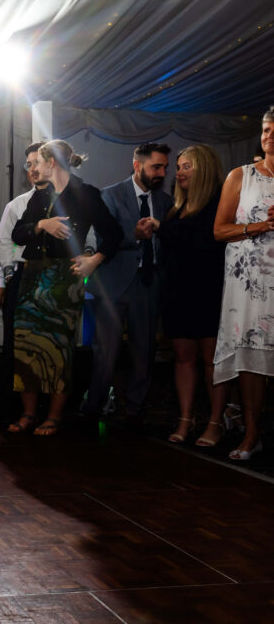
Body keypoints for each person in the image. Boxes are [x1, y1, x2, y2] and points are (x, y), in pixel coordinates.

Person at [10, 140, 122, 436]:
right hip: (32, 275)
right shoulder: (40, 196)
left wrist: (93, 261)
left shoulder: (85, 194)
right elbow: (17, 234)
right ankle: (29, 413)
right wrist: (41, 225)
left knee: (59, 347)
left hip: (65, 278)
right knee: (26, 345)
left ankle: (54, 416)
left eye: (38, 162)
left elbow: (114, 235)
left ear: (52, 163)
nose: (34, 167)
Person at [84, 142, 172, 426]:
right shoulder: (108, 195)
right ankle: (93, 408)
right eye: (155, 167)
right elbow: (101, 242)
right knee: (105, 354)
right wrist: (133, 236)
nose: (161, 172)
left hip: (148, 283)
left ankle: (135, 410)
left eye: (164, 168)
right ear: (137, 165)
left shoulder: (167, 202)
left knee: (143, 352)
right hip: (112, 283)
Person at [151, 145, 227, 445]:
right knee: (182, 357)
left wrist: (162, 229)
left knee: (212, 360)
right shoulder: (175, 209)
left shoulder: (220, 203)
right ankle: (185, 418)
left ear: (204, 169)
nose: (179, 172)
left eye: (186, 167)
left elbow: (204, 243)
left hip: (208, 290)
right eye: (179, 167)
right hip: (177, 292)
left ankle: (215, 422)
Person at [213, 107, 274, 460]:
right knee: (251, 361)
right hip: (250, 285)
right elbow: (220, 230)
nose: (268, 136)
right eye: (266, 130)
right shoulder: (242, 176)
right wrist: (260, 226)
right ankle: (251, 434)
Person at [0, 143, 45, 418]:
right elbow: (2, 246)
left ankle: (49, 412)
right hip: (20, 281)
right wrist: (1, 282)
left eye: (38, 162)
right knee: (16, 349)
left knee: (48, 348)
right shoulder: (17, 204)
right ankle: (14, 411)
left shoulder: (70, 201)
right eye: (29, 164)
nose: (33, 169)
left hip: (53, 283)